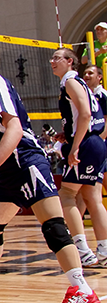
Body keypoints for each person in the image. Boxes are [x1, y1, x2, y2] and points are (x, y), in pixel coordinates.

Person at [0, 39, 100, 303]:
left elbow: (14, 127)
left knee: (53, 226)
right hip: (12, 168)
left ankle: (83, 291)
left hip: (25, 161)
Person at [50, 48, 107, 268]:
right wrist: (69, 132)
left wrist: (74, 146)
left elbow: (85, 114)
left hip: (86, 144)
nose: (52, 61)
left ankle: (82, 251)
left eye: (57, 58)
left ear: (70, 62)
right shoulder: (77, 83)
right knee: (92, 196)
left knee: (66, 194)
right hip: (93, 142)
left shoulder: (71, 82)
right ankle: (103, 250)